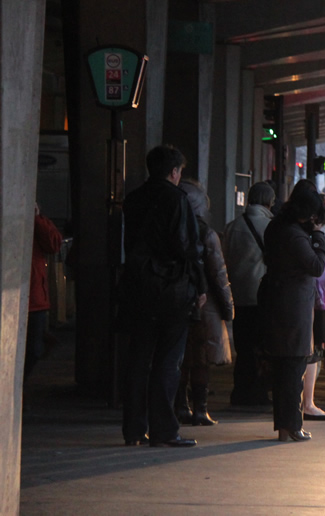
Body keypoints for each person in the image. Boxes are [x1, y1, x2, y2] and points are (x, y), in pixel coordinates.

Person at [120, 145, 207, 448]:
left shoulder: (133, 199)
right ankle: (164, 430)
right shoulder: (177, 199)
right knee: (168, 361)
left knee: (138, 360)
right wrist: (200, 286)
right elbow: (187, 247)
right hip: (171, 290)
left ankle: (133, 430)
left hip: (137, 288)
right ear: (174, 172)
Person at [261, 186, 325, 442]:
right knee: (294, 365)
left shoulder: (276, 227)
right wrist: (320, 239)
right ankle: (291, 426)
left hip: (277, 299)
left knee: (283, 367)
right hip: (293, 305)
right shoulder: (295, 235)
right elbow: (316, 266)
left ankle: (284, 427)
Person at [174, 178, 234, 426]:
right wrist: (228, 307)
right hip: (204, 303)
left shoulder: (170, 229)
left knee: (178, 358)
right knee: (200, 359)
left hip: (175, 299)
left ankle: (180, 406)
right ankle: (201, 409)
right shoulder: (207, 234)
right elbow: (219, 274)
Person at [287, 180, 325, 423]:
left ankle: (299, 407)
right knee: (308, 352)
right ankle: (305, 405)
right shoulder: (305, 232)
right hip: (310, 297)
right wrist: (320, 238)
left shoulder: (283, 226)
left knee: (302, 351)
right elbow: (318, 266)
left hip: (305, 297)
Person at [224, 182, 276, 406]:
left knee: (243, 346)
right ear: (268, 202)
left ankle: (240, 390)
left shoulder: (232, 226)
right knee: (261, 346)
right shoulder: (271, 226)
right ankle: (257, 391)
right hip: (261, 296)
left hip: (238, 295)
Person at [24, 203, 63, 385]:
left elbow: (54, 244)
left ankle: (17, 388)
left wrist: (37, 218)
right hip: (32, 295)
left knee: (34, 349)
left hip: (33, 296)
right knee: (32, 348)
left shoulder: (33, 222)